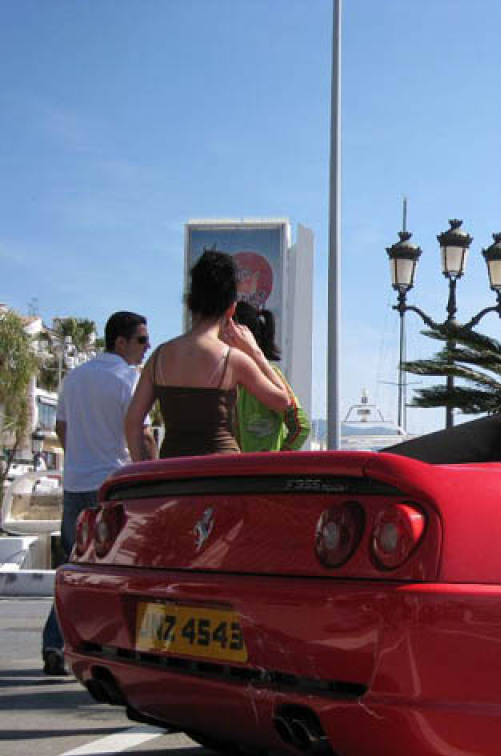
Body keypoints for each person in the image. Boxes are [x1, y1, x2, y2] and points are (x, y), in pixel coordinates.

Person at [40, 310, 155, 676]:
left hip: (76, 484)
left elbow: (61, 426)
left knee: (73, 570)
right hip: (113, 486)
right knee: (124, 571)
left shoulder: (74, 378)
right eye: (140, 340)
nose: (146, 346)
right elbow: (144, 434)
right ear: (120, 341)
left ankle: (55, 643)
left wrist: (81, 455)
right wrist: (149, 474)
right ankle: (119, 650)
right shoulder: (128, 380)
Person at [126, 250, 291, 460]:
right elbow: (282, 402)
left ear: (188, 303)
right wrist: (255, 353)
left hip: (173, 472)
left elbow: (133, 421)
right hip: (220, 475)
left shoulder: (159, 356)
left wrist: (142, 470)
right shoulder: (233, 360)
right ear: (231, 309)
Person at [232, 300, 309, 451]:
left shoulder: (271, 375)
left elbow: (301, 427)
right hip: (228, 472)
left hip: (265, 472)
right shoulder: (219, 377)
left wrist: (277, 464)